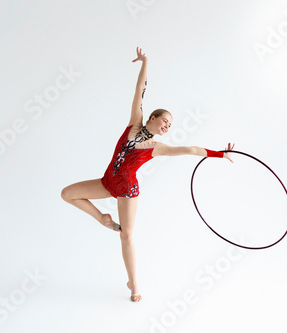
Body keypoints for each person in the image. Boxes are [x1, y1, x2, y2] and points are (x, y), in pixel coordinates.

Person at [61, 47, 234, 302]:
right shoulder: (134, 122)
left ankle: (134, 285)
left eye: (170, 126)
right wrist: (145, 62)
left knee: (127, 235)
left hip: (127, 190)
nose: (167, 127)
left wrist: (220, 154)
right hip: (107, 181)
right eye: (165, 121)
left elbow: (190, 149)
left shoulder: (157, 147)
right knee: (68, 194)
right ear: (152, 117)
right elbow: (139, 89)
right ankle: (103, 219)